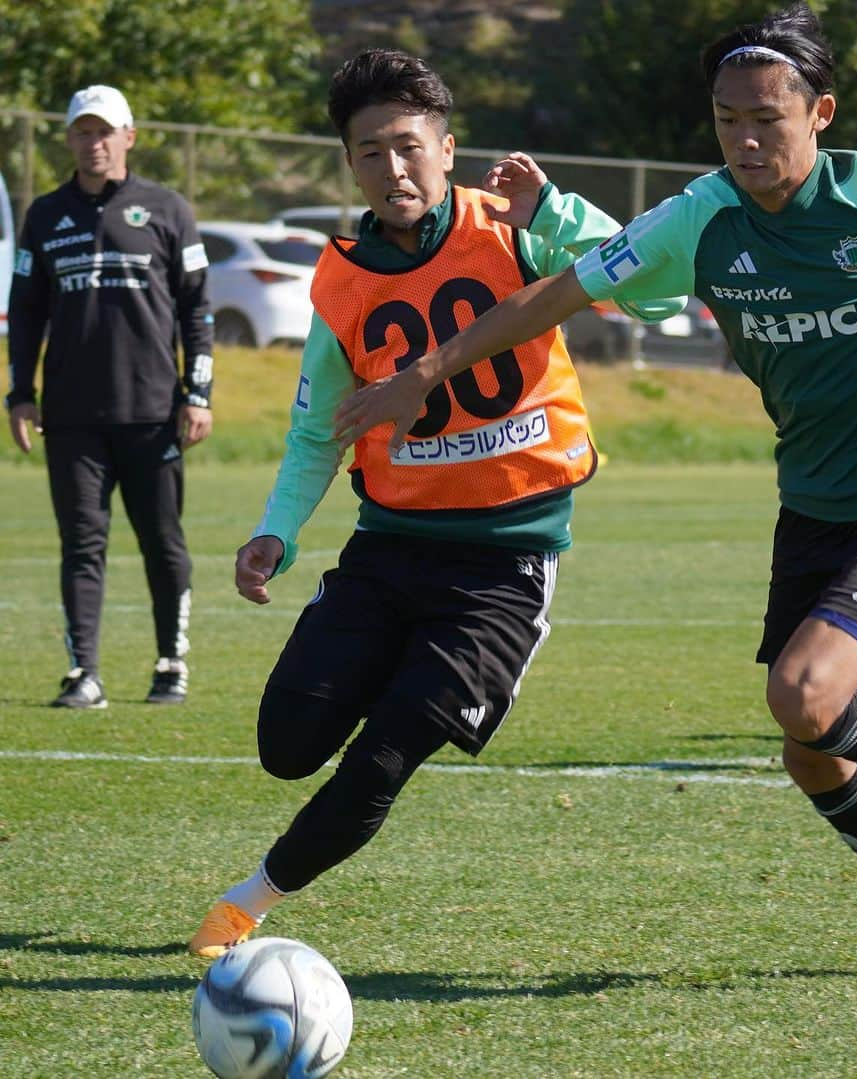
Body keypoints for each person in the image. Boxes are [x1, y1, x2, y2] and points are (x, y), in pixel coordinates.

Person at [336, 6, 857, 978]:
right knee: (809, 749)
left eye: (767, 117)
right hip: (811, 506)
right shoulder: (699, 216)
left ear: (820, 112)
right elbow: (552, 296)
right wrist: (426, 371)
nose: (747, 138)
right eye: (728, 119)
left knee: (806, 694)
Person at [188, 49, 682, 957]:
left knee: (385, 754)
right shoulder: (340, 279)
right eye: (369, 151)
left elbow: (663, 297)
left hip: (500, 571)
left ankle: (243, 904)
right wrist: (273, 533)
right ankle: (400, 669)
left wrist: (563, 212)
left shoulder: (518, 230)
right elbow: (316, 434)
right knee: (286, 742)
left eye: (409, 146)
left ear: (447, 149)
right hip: (387, 554)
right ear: (350, 164)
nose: (393, 168)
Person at [6, 84, 214, 708]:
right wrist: (20, 394)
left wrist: (197, 392)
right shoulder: (43, 215)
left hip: (152, 415)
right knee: (81, 545)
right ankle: (83, 674)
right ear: (69, 139)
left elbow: (197, 310)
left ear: (128, 136)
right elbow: (26, 312)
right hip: (70, 420)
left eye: (104, 131)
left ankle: (170, 664)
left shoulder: (168, 209)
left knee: (163, 543)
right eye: (82, 132)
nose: (93, 143)